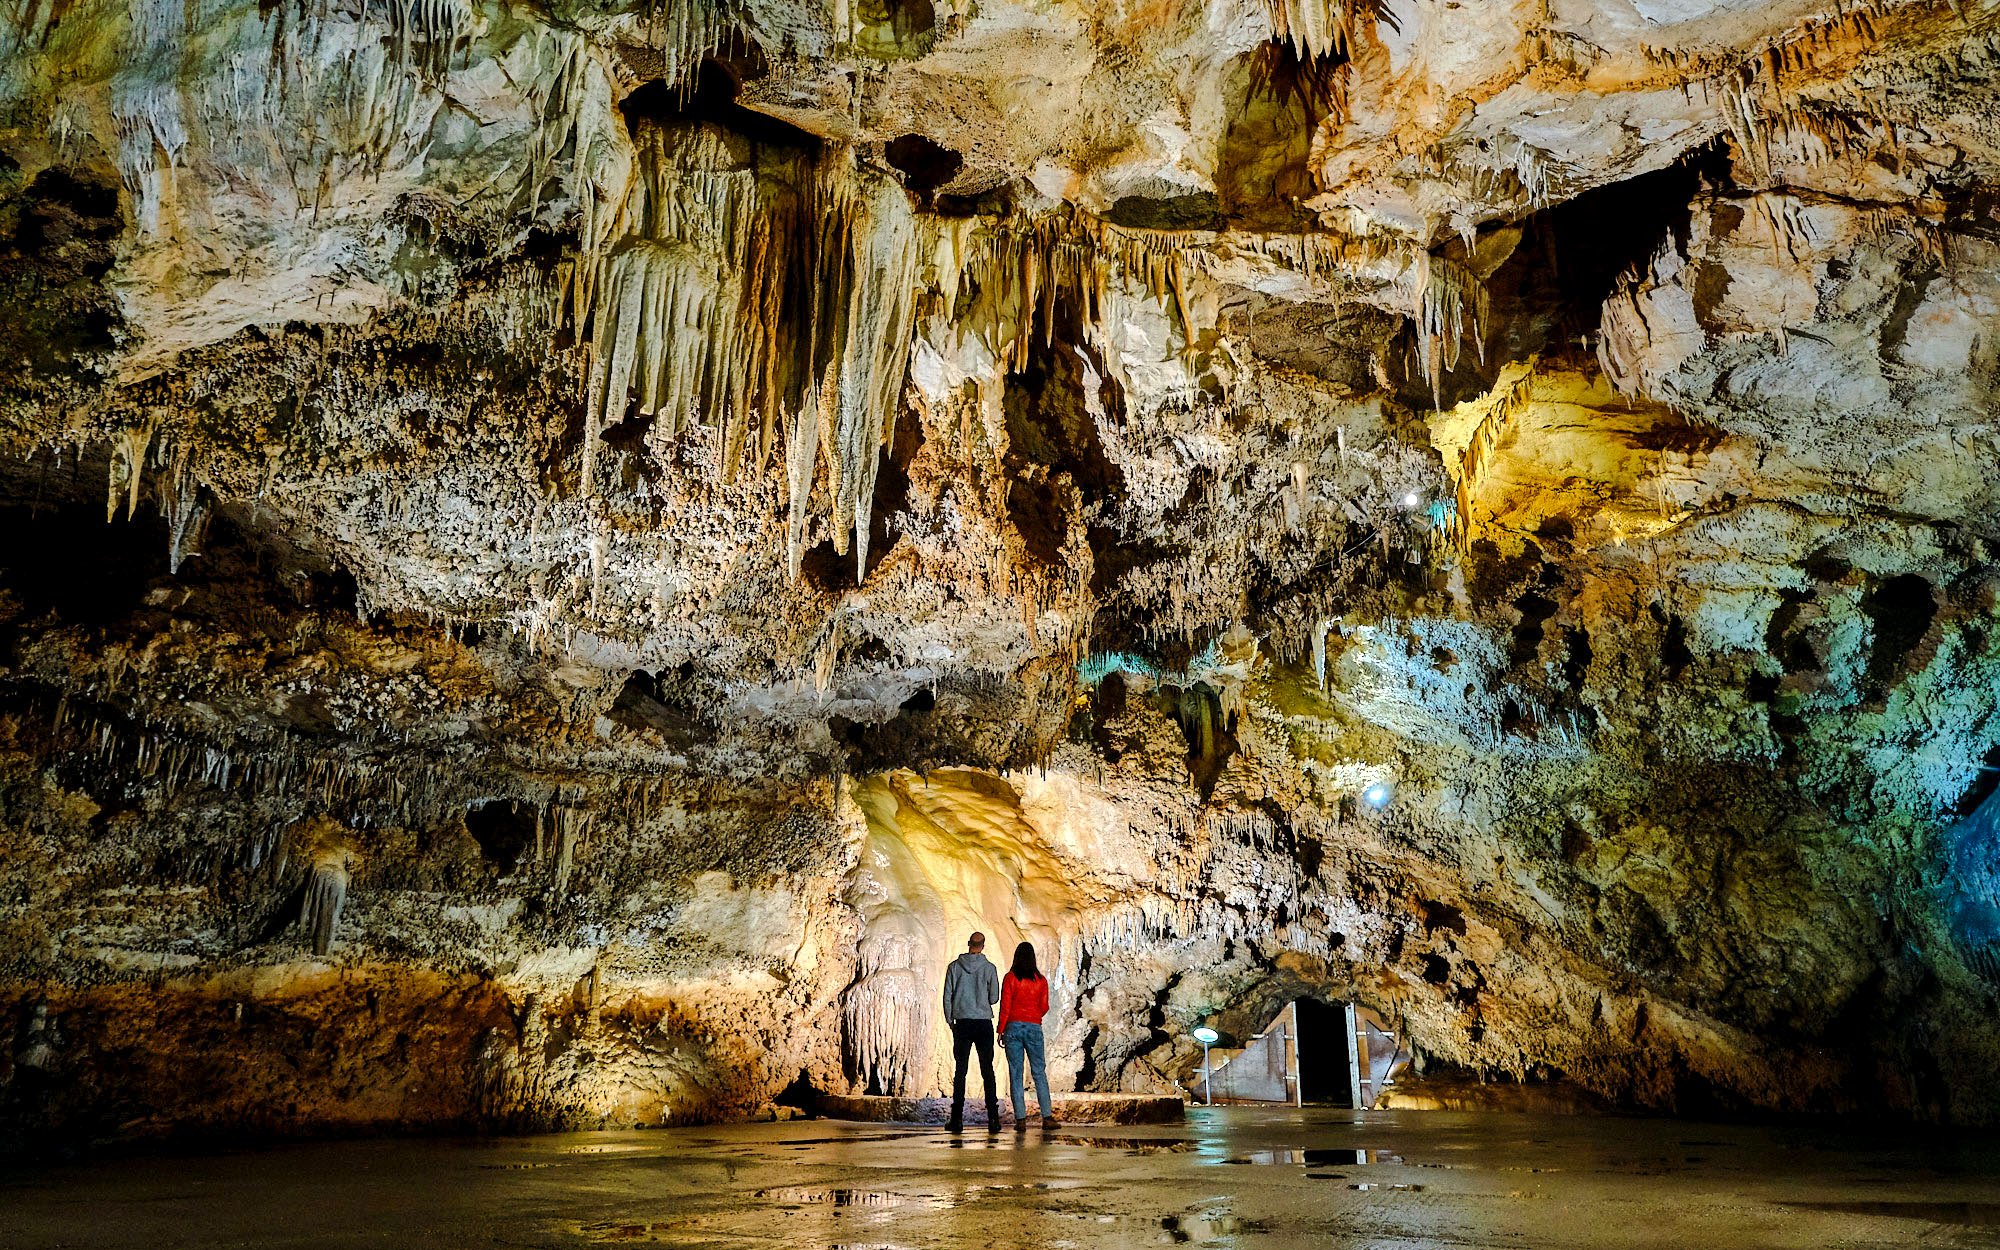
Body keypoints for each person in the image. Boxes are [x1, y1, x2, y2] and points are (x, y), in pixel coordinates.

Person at [941, 930, 1001, 1132]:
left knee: (961, 1071)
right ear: (983, 946)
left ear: (969, 944)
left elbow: (947, 995)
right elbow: (994, 998)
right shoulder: (989, 968)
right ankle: (993, 1119)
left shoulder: (954, 967)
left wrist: (951, 1020)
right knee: (987, 1070)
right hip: (983, 1022)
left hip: (963, 1022)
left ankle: (956, 1119)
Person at [999, 940, 1056, 1128]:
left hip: (1013, 1027)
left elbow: (1005, 1006)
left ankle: (1021, 1120)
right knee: (1039, 1072)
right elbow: (1044, 1006)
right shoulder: (1040, 980)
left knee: (1016, 1073)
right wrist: (1033, 1016)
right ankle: (1047, 1117)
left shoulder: (1010, 978)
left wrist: (1001, 1030)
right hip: (1033, 1028)